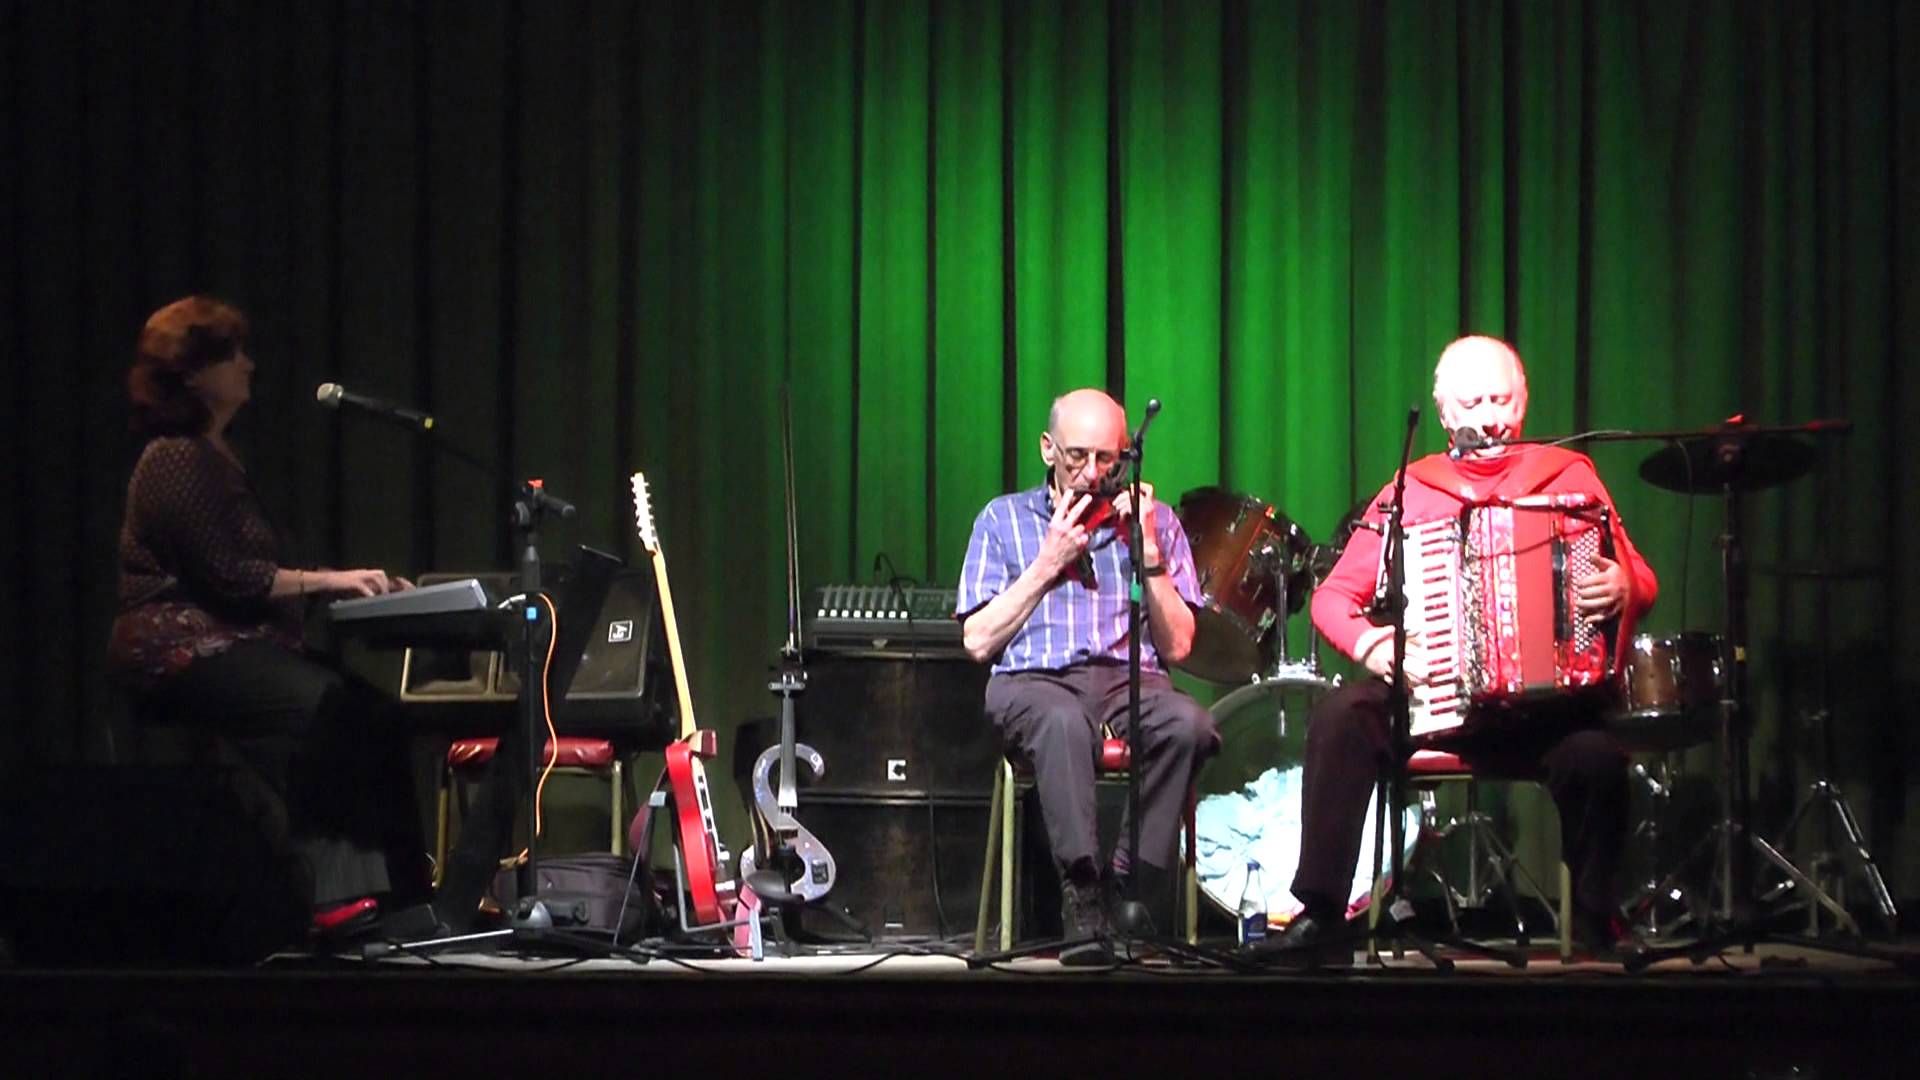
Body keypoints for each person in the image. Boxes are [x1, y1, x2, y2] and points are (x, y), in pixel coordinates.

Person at [1264, 335, 1657, 961]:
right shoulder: (1412, 489)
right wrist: (1372, 642)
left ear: (1524, 402)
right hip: (1439, 704)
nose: (1490, 417)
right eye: (1473, 403)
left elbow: (1642, 577)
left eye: (1501, 400)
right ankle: (1322, 914)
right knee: (1343, 716)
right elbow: (1332, 597)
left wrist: (1624, 585)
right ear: (1445, 413)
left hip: (1545, 711)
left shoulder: (1569, 476)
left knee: (1597, 757)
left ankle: (1595, 919)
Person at [107, 295, 430, 922]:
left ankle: (408, 900)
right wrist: (331, 581)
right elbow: (231, 577)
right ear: (193, 373)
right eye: (232, 355)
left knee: (379, 715)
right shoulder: (173, 456)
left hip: (232, 643)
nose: (248, 365)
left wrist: (349, 585)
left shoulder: (219, 457)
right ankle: (339, 900)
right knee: (330, 710)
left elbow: (257, 574)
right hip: (176, 652)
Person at [957, 388, 1219, 964]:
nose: (1093, 472)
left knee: (1189, 724)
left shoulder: (1157, 522)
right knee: (1062, 723)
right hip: (1035, 680)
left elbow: (1178, 645)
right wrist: (1047, 563)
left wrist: (1149, 551)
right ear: (1047, 449)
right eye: (1078, 456)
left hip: (1130, 679)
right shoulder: (1003, 520)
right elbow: (977, 641)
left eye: (1108, 459)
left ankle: (1128, 888)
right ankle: (1082, 897)